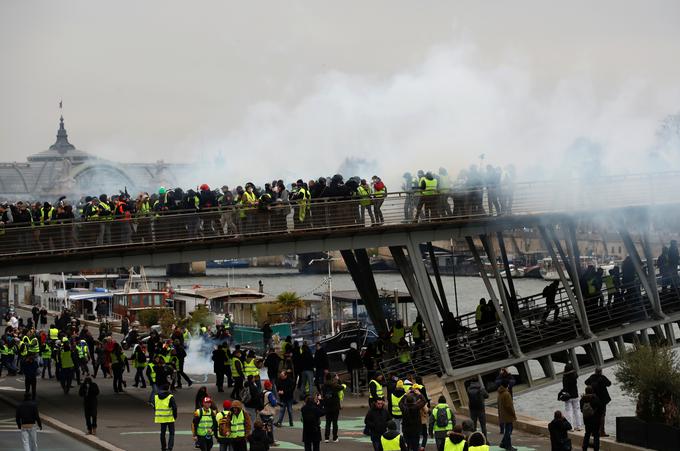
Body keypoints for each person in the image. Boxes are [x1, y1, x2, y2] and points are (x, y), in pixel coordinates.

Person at [584, 368, 611, 437]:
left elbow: (586, 382)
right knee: (602, 416)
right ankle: (602, 432)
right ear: (601, 372)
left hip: (594, 399)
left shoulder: (592, 377)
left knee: (594, 415)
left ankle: (594, 432)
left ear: (595, 371)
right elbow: (609, 383)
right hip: (602, 400)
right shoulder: (602, 378)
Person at [154, 384, 178, 451]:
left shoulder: (156, 396)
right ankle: (170, 448)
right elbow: (175, 407)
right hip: (169, 418)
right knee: (172, 433)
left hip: (161, 417)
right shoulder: (170, 397)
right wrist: (175, 416)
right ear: (168, 388)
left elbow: (155, 406)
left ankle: (163, 448)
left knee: (162, 433)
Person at [580, 386, 603, 451]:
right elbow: (601, 408)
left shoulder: (582, 400)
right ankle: (596, 449)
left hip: (587, 420)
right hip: (595, 421)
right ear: (592, 391)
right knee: (596, 435)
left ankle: (584, 448)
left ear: (585, 391)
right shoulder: (595, 398)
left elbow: (581, 410)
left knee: (587, 434)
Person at [322, 373, 343, 443]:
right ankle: (334, 437)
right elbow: (342, 387)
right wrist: (338, 379)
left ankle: (326, 438)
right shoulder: (335, 385)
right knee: (334, 422)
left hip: (327, 405)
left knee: (328, 422)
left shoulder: (323, 386)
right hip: (335, 406)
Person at [497, 380, 516, 451]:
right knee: (509, 430)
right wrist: (513, 414)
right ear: (507, 385)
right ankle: (508, 446)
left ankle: (503, 443)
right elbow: (509, 406)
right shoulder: (506, 394)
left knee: (507, 430)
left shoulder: (499, 393)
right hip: (508, 415)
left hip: (502, 414)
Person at [561, 364, 582, 431]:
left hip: (568, 396)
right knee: (577, 410)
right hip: (575, 395)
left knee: (569, 411)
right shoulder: (574, 376)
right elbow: (576, 372)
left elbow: (565, 388)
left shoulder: (565, 377)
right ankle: (579, 426)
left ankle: (571, 427)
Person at [259, 379, 278, 446]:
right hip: (268, 412)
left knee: (264, 427)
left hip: (262, 412)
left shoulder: (262, 392)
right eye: (270, 385)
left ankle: (264, 440)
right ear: (269, 386)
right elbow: (273, 403)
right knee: (269, 428)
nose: (272, 386)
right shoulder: (269, 394)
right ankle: (271, 441)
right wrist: (276, 401)